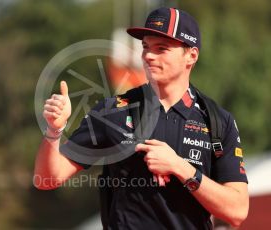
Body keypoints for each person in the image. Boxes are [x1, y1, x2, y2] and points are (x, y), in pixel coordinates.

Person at [34, 7, 249, 229]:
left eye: (161, 48)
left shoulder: (217, 120)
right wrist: (54, 131)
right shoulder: (113, 111)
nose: (148, 56)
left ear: (191, 56)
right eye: (145, 47)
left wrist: (180, 168)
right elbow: (47, 179)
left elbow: (237, 211)